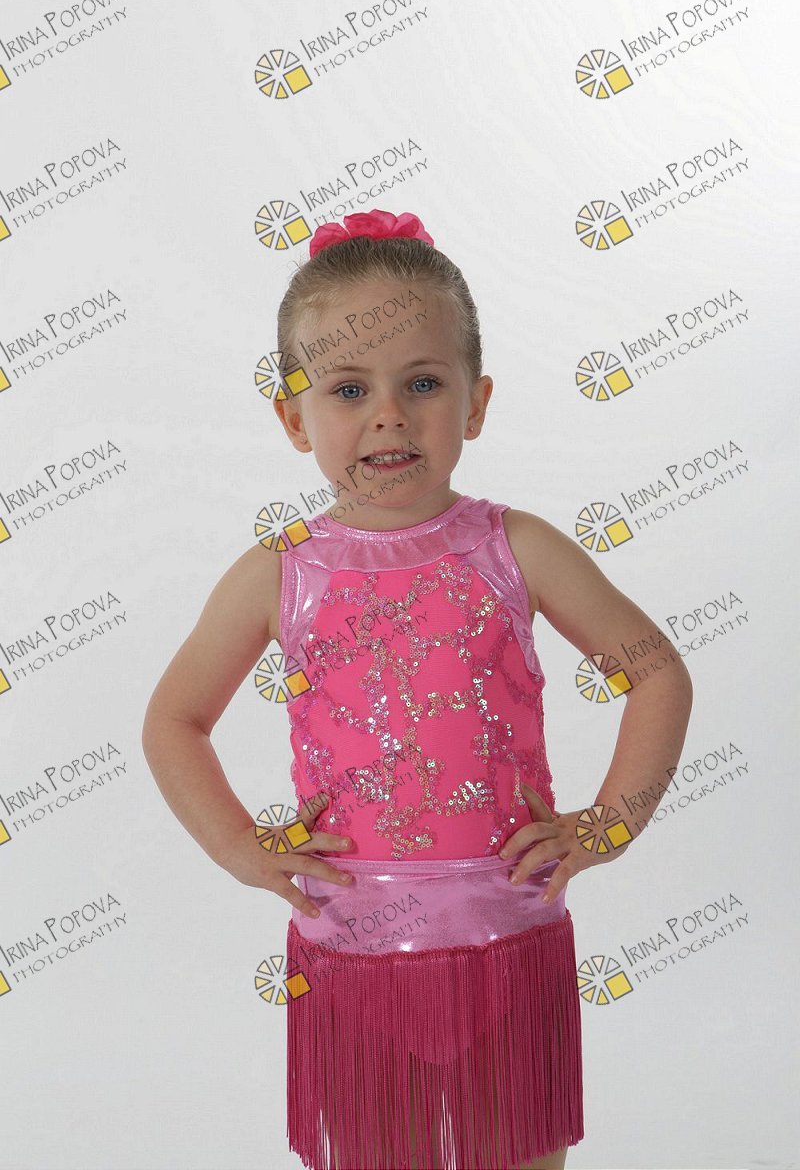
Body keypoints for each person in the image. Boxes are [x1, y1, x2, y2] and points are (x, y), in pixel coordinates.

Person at [142, 208, 693, 1170]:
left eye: (424, 383)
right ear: (293, 416)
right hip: (354, 944)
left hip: (508, 933)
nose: (389, 414)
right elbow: (174, 719)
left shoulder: (516, 549)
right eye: (349, 389)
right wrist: (236, 845)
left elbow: (654, 670)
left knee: (518, 1154)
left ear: (476, 404)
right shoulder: (279, 571)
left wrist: (611, 823)